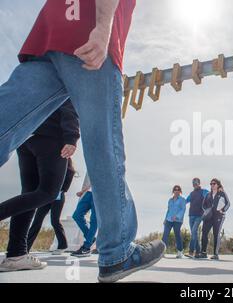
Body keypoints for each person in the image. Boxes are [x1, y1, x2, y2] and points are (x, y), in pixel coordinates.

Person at [0, 0, 165, 282]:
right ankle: (118, 252)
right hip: (87, 34)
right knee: (104, 145)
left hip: (49, 34)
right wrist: (103, 28)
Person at [0, 101, 80, 272]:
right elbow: (68, 105)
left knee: (29, 195)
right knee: (47, 193)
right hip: (51, 138)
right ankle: (16, 254)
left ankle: (16, 255)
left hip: (26, 139)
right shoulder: (67, 76)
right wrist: (71, 137)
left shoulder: (35, 79)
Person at [27, 158, 77, 256]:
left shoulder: (70, 171)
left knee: (55, 221)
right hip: (47, 196)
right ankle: (25, 248)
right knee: (37, 220)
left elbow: (64, 188)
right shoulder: (52, 168)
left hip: (58, 197)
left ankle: (62, 245)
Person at [198, 179, 230, 260]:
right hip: (208, 217)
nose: (212, 185)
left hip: (218, 216)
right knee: (204, 232)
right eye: (211, 184)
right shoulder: (208, 194)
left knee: (216, 234)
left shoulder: (222, 193)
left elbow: (228, 203)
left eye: (214, 183)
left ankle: (215, 254)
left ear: (218, 185)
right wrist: (207, 210)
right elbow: (203, 205)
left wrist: (222, 210)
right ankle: (203, 253)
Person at [71, 174, 97, 258]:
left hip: (100, 194)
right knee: (77, 215)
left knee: (94, 220)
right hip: (89, 193)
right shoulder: (97, 164)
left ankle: (86, 247)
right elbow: (94, 180)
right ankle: (91, 238)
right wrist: (83, 191)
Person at [185, 178, 209, 258]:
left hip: (199, 215)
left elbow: (210, 197)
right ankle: (198, 252)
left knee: (194, 231)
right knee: (194, 234)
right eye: (193, 183)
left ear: (199, 183)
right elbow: (185, 201)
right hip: (191, 215)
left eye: (196, 182)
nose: (195, 184)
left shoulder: (204, 191)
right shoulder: (191, 194)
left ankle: (191, 252)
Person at [162, 185, 186, 259]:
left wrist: (177, 216)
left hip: (177, 221)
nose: (176, 191)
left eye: (178, 189)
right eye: (175, 190)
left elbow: (183, 209)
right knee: (165, 235)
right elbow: (168, 210)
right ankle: (162, 252)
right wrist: (165, 219)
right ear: (173, 191)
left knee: (177, 235)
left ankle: (180, 252)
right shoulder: (170, 200)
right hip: (169, 220)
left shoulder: (182, 200)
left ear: (180, 191)